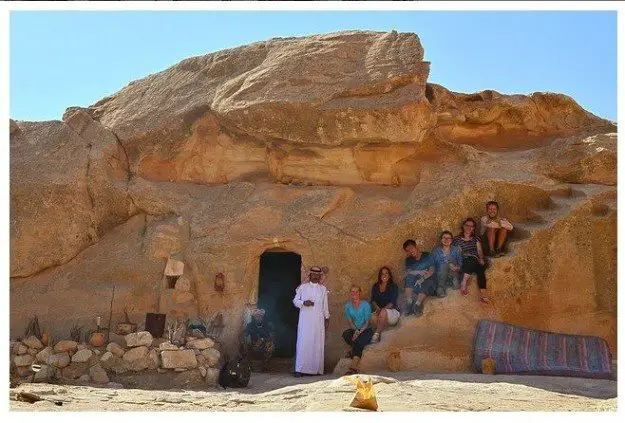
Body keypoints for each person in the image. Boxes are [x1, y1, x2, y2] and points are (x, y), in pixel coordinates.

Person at [292, 266, 330, 377]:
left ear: (320, 276)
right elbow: (295, 301)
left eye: (318, 275)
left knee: (316, 344)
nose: (316, 276)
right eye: (313, 274)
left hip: (318, 322)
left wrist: (326, 317)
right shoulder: (303, 288)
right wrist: (304, 302)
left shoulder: (323, 289)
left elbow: (325, 305)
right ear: (310, 275)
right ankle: (300, 369)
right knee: (303, 343)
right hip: (305, 321)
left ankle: (315, 370)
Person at [454, 218, 489, 303]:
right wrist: (469, 255)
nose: (469, 227)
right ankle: (464, 283)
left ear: (473, 228)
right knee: (472, 260)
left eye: (471, 226)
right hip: (464, 260)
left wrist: (481, 259)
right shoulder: (457, 239)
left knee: (481, 269)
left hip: (476, 260)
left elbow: (479, 251)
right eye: (467, 225)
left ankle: (483, 295)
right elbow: (458, 253)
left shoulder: (475, 239)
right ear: (463, 226)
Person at [342, 284, 373, 375]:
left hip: (366, 329)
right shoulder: (348, 306)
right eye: (352, 291)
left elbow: (367, 322)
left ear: (360, 293)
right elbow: (350, 321)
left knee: (358, 341)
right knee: (346, 334)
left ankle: (353, 367)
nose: (354, 293)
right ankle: (354, 353)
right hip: (355, 329)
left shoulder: (365, 305)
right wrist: (355, 331)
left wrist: (359, 332)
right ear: (350, 293)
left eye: (356, 291)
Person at [402, 239, 436, 317]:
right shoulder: (409, 260)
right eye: (407, 250)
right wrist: (419, 272)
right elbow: (409, 272)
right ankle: (409, 302)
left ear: (416, 246)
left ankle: (417, 305)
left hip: (428, 280)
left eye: (411, 248)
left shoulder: (426, 255)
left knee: (427, 281)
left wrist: (422, 278)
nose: (410, 251)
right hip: (416, 283)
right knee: (409, 278)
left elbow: (432, 270)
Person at [369, 267, 400, 343]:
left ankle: (376, 335)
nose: (384, 275)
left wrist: (381, 310)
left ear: (389, 275)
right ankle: (382, 330)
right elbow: (373, 300)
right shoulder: (376, 286)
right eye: (382, 274)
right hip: (381, 312)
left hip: (392, 313)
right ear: (380, 276)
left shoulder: (393, 286)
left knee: (383, 311)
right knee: (372, 316)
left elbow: (392, 303)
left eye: (386, 273)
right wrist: (377, 308)